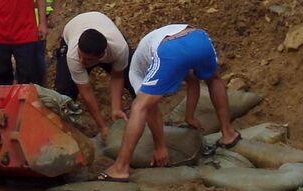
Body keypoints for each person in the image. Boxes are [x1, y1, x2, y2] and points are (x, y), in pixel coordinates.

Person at [100, 24, 240, 180]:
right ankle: (228, 134)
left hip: (169, 48)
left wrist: (160, 147)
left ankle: (120, 168)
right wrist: (189, 116)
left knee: (139, 106)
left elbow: (150, 110)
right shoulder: (150, 49)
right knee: (214, 79)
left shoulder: (135, 72)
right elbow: (193, 81)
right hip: (198, 37)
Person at [54, 12, 130, 137]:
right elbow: (86, 92)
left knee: (130, 77)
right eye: (81, 55)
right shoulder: (73, 55)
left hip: (102, 26)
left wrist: (116, 108)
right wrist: (102, 127)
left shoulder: (119, 49)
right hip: (74, 28)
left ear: (101, 56)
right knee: (63, 94)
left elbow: (117, 76)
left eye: (87, 60)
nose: (81, 61)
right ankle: (63, 131)